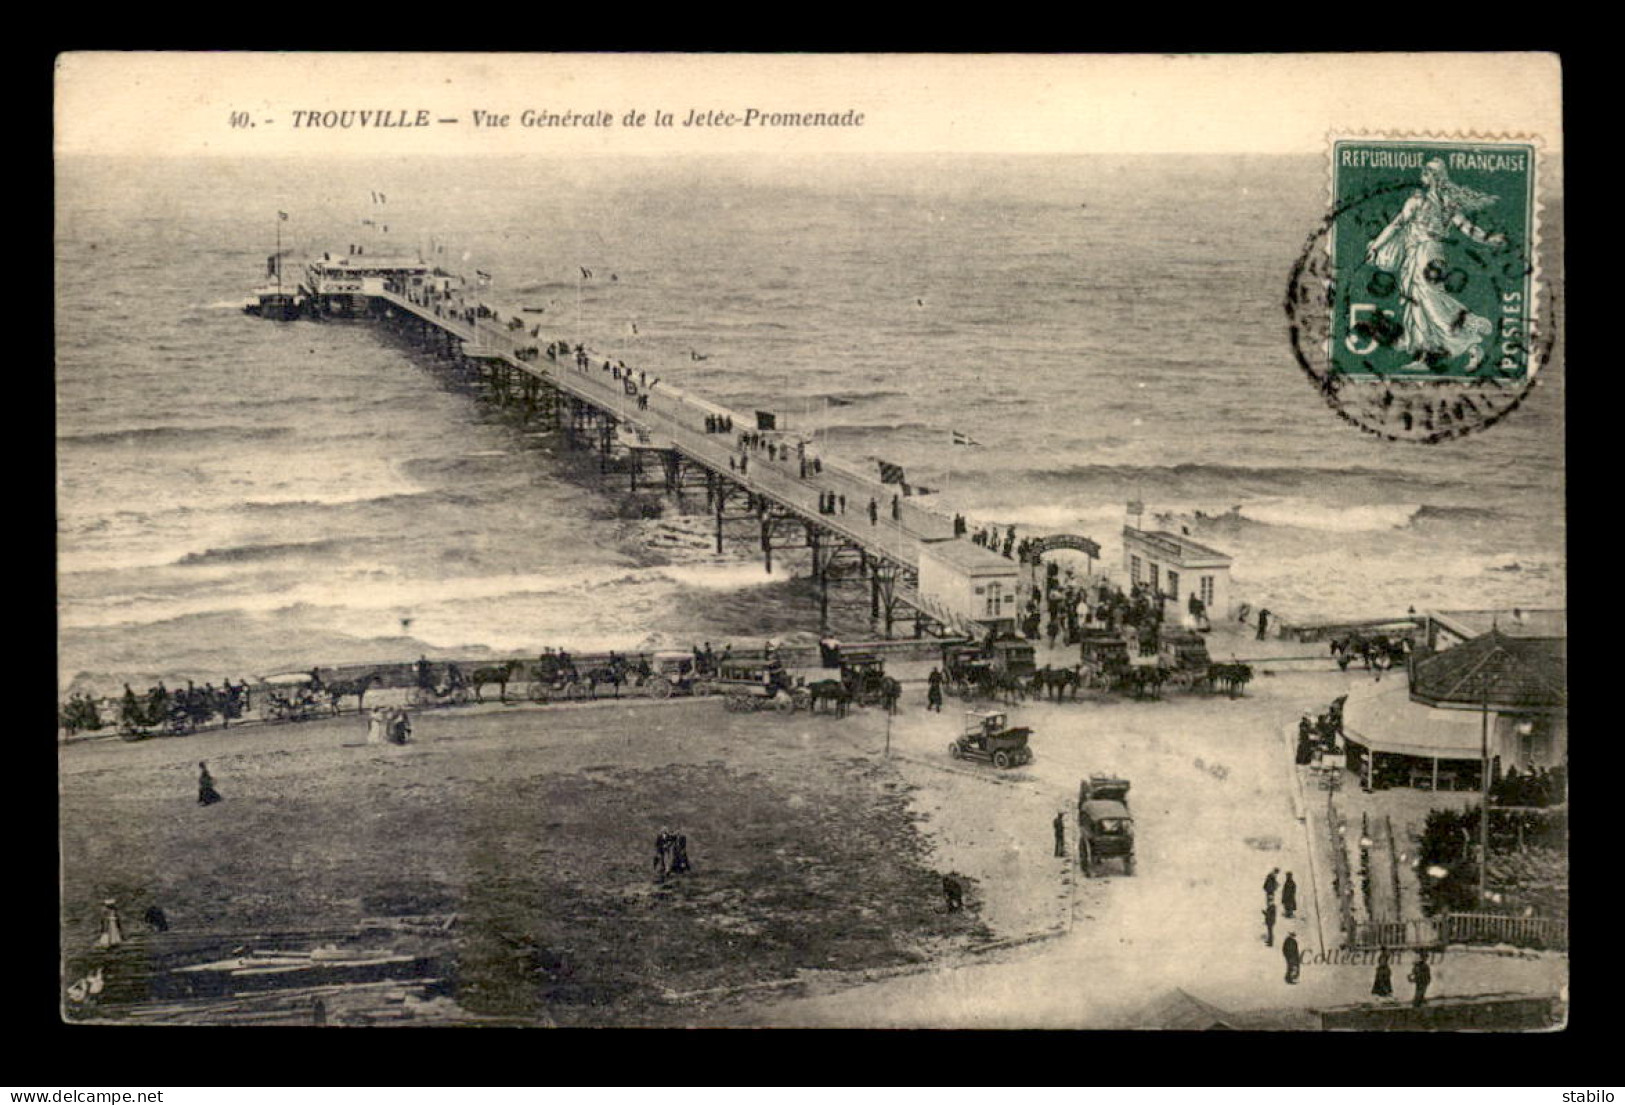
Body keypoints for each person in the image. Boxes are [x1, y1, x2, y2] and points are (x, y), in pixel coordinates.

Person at [1364, 158, 1505, 373]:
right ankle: (1434, 352)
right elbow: (1467, 228)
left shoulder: (1417, 201)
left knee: (1426, 300)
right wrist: (1487, 238)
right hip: (1433, 255)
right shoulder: (1447, 203)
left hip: (1422, 253)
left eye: (1426, 171)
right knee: (1422, 301)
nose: (1423, 173)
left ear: (1433, 176)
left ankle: (1468, 326)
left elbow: (1396, 225)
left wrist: (1376, 246)